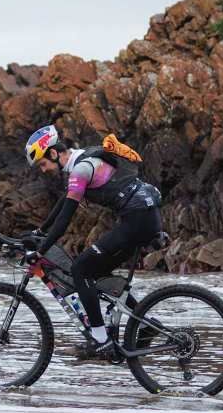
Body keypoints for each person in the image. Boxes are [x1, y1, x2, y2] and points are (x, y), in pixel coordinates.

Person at [19, 124, 163, 360]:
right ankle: (145, 323)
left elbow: (65, 219)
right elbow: (63, 203)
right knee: (95, 273)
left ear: (53, 153)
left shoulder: (81, 170)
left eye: (43, 164)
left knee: (81, 270)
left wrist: (40, 251)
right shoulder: (81, 159)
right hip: (143, 216)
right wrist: (39, 231)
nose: (43, 170)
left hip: (138, 220)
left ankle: (100, 339)